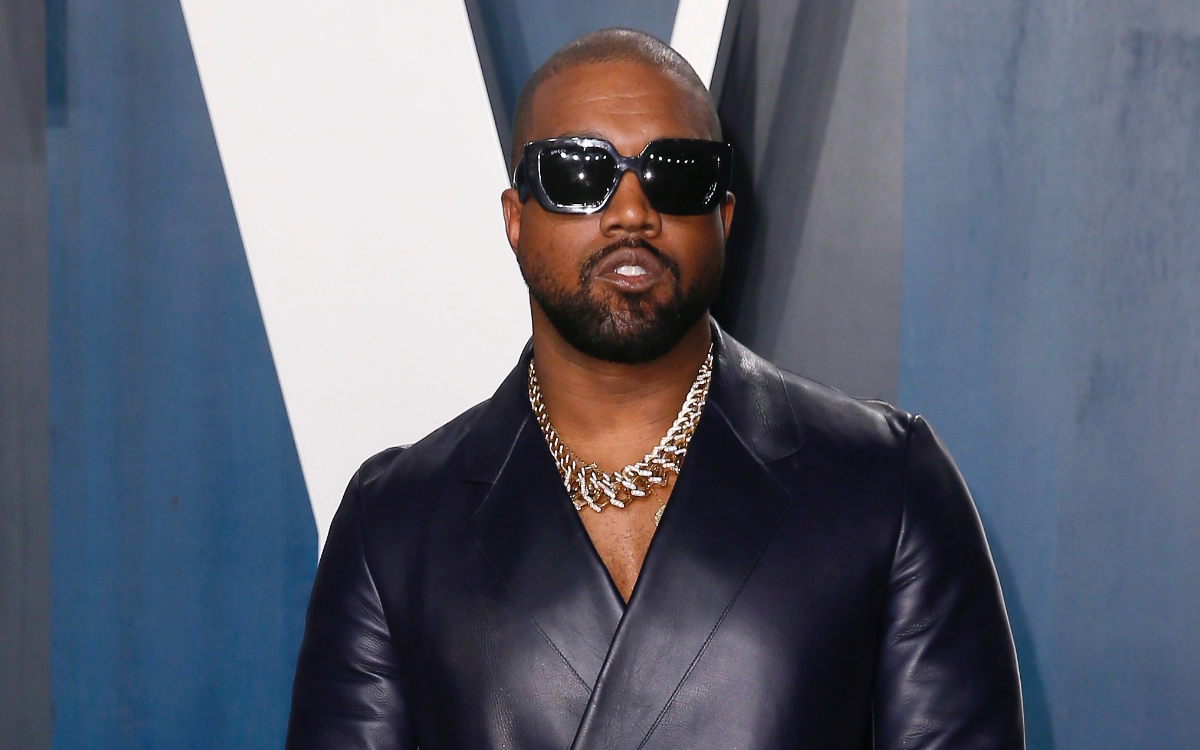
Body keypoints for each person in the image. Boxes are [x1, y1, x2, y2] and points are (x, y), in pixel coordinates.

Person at [285, 28, 1024, 750]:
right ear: (515, 219)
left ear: (723, 216)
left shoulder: (885, 484)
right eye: (579, 173)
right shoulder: (395, 525)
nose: (632, 212)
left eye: (676, 174)